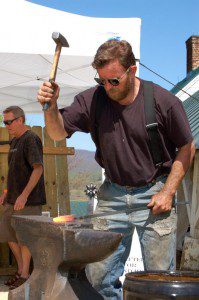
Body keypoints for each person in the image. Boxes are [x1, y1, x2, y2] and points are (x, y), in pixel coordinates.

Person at [37, 39, 195, 300]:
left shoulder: (162, 101)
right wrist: (50, 107)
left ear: (132, 70)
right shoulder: (93, 99)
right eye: (102, 81)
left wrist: (168, 191)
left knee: (158, 282)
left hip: (154, 193)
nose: (107, 87)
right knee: (99, 279)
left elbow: (186, 146)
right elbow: (56, 132)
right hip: (111, 196)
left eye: (114, 81)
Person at [0, 106, 46, 289]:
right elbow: (13, 172)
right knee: (8, 234)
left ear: (20, 120)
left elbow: (38, 168)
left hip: (28, 200)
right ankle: (21, 270)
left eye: (9, 122)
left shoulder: (31, 139)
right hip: (11, 199)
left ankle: (25, 275)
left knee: (25, 237)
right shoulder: (15, 141)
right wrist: (6, 193)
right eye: (4, 122)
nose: (6, 125)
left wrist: (24, 196)